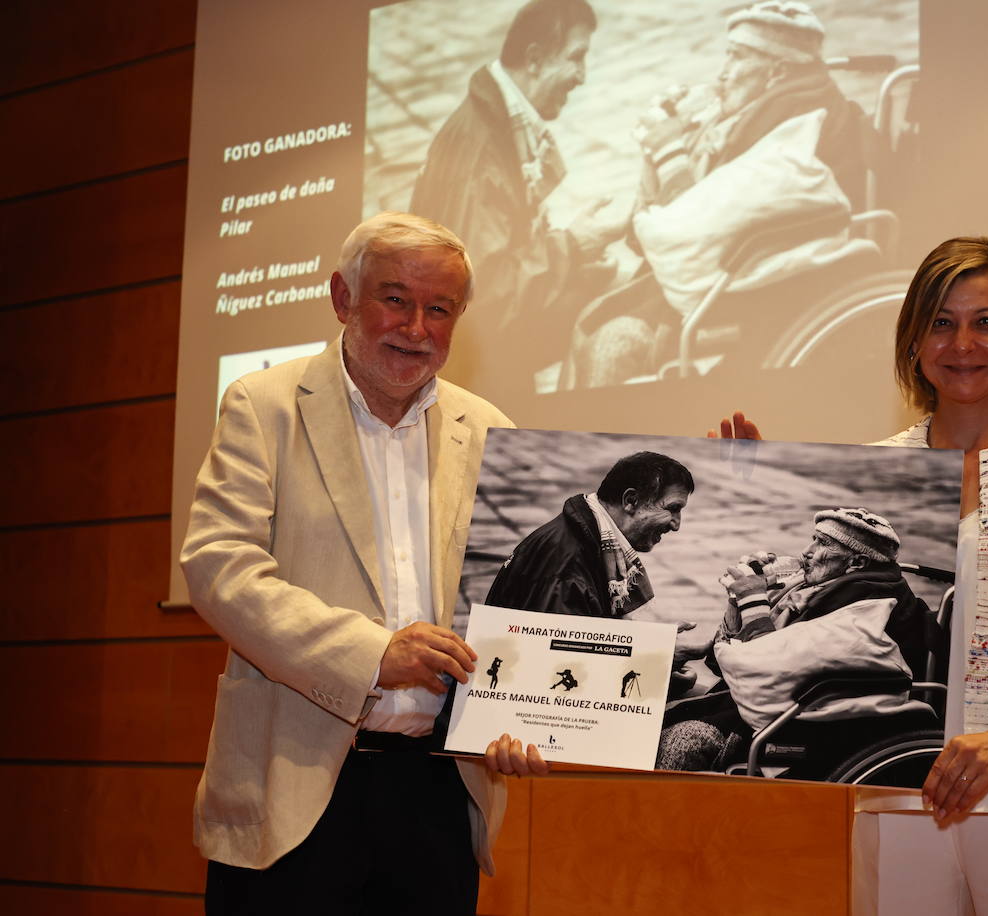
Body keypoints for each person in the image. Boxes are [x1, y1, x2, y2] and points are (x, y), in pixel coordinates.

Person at [712, 237, 988, 914]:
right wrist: (747, 488)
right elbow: (809, 603)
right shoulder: (877, 469)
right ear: (913, 340)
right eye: (941, 321)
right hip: (897, 782)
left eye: (986, 321)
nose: (963, 342)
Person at [181, 212, 549, 916]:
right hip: (294, 790)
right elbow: (218, 565)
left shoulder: (491, 430)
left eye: (439, 308)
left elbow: (520, 604)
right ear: (343, 299)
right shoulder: (265, 406)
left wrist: (522, 712)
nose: (416, 326)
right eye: (395, 298)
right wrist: (372, 653)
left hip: (441, 792)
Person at [567, 0, 876, 388]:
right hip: (734, 271)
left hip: (763, 288)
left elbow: (692, 226)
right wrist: (662, 149)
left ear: (775, 69)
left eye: (735, 58)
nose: (722, 74)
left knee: (612, 340)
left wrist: (669, 152)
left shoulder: (791, 130)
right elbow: (665, 229)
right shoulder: (752, 117)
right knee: (589, 303)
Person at [409, 0, 625, 394]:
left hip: (478, 364)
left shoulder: (497, 124)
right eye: (577, 58)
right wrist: (574, 247)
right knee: (619, 306)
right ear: (536, 59)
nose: (582, 76)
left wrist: (576, 258)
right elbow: (489, 290)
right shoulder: (481, 148)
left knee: (611, 288)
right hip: (476, 376)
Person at [657, 508, 933, 773]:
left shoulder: (864, 606)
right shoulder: (815, 588)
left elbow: (762, 667)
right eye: (813, 538)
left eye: (822, 543)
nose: (807, 551)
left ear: (857, 563)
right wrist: (737, 601)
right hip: (776, 705)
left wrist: (753, 601)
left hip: (809, 722)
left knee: (681, 741)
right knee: (658, 710)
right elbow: (722, 664)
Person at [485, 451, 694, 618]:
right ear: (631, 501)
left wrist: (662, 652)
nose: (676, 525)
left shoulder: (589, 542)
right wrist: (656, 657)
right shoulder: (568, 565)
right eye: (672, 508)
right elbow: (563, 658)